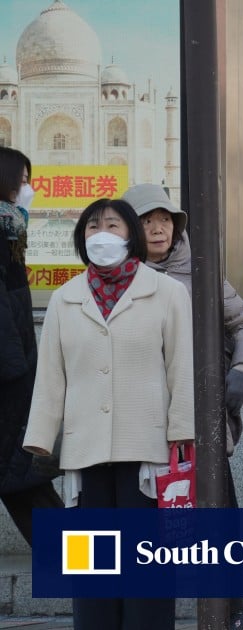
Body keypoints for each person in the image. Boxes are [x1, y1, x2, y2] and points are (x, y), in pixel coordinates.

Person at [24, 197, 193, 630]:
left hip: (149, 449)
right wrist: (42, 437)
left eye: (113, 225)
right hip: (84, 450)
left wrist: (183, 431)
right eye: (92, 226)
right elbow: (51, 375)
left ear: (131, 235)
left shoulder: (167, 292)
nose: (101, 233)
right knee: (92, 569)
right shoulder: (65, 299)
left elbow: (182, 365)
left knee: (146, 566)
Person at [121, 183, 243, 630]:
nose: (158, 228)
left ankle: (232, 606)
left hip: (199, 419)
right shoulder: (115, 279)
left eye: (165, 219)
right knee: (145, 522)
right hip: (138, 421)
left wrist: (242, 369)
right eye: (146, 221)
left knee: (215, 514)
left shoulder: (201, 273)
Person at [0, 147, 64, 544]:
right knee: (26, 484)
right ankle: (92, 574)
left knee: (25, 484)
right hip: (9, 382)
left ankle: (91, 574)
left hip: (14, 377)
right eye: (23, 181)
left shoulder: (10, 229)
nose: (29, 189)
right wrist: (18, 373)